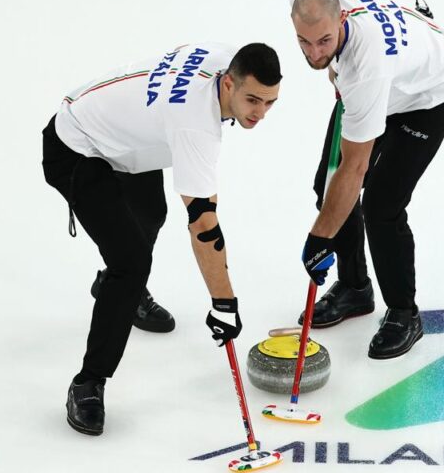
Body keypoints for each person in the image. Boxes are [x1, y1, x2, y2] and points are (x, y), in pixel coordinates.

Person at [43, 42, 282, 435]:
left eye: (270, 102)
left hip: (127, 143)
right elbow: (204, 225)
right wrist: (223, 303)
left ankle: (121, 293)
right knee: (131, 261)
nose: (259, 113)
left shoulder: (225, 62)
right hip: (76, 147)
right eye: (252, 100)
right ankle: (88, 382)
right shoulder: (196, 125)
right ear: (227, 84)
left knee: (151, 213)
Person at [288, 0, 444, 360]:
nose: (314, 52)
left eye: (324, 41)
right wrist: (332, 61)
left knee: (381, 204)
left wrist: (318, 239)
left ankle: (404, 313)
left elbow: (355, 168)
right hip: (381, 84)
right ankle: (354, 289)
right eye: (304, 41)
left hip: (428, 94)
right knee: (327, 188)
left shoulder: (365, 69)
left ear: (344, 16)